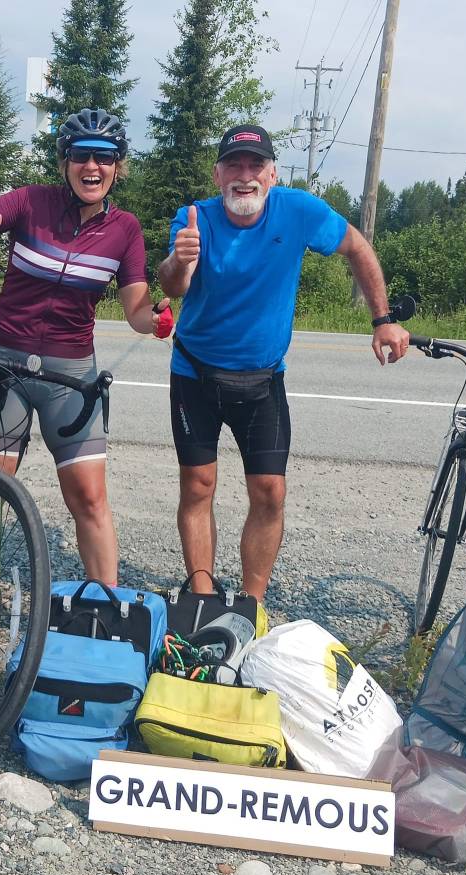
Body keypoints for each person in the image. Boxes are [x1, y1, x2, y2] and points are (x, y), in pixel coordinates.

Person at [157, 124, 409, 603]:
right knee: (198, 485)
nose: (244, 175)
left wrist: (383, 320)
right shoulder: (195, 218)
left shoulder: (298, 210)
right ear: (217, 175)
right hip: (195, 374)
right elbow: (174, 285)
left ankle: (252, 603)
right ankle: (202, 597)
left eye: (255, 165)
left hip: (263, 379)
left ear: (272, 174)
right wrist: (180, 259)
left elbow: (357, 246)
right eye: (233, 164)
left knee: (270, 491)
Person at [0, 109, 171, 601]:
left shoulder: (125, 229)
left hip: (69, 373)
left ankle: (108, 609)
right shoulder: (31, 202)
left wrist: (155, 321)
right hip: (3, 363)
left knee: (90, 497)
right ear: (65, 161)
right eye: (82, 155)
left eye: (105, 158)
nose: (93, 167)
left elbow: (135, 309)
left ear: (118, 166)